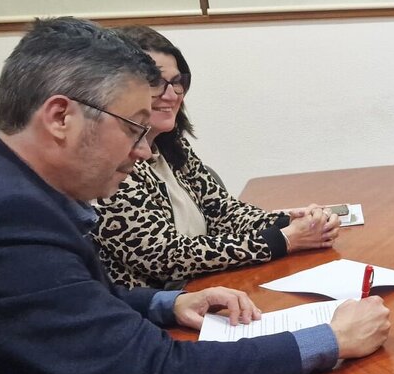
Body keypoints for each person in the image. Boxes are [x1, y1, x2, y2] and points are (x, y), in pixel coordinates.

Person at [0, 18, 391, 374]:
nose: (145, 149)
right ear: (61, 116)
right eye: (134, 127)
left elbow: (64, 298)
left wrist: (168, 303)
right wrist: (331, 340)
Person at [91, 26, 339, 289]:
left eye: (177, 82)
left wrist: (294, 223)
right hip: (159, 304)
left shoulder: (171, 145)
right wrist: (283, 239)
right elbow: (164, 256)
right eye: (155, 83)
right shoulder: (112, 162)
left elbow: (223, 212)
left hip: (207, 286)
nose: (171, 95)